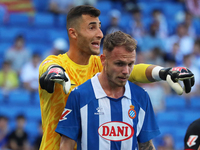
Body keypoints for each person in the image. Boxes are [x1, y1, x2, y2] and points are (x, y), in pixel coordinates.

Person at [38, 5, 194, 150]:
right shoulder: (55, 63)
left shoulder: (100, 64)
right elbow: (49, 68)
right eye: (92, 27)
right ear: (73, 33)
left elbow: (133, 71)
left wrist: (163, 72)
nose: (100, 34)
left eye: (99, 27)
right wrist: (54, 72)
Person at [56, 31, 160, 150]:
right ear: (103, 60)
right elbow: (66, 145)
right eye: (119, 64)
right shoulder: (80, 95)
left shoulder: (141, 97)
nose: (126, 71)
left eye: (130, 64)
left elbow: (146, 146)